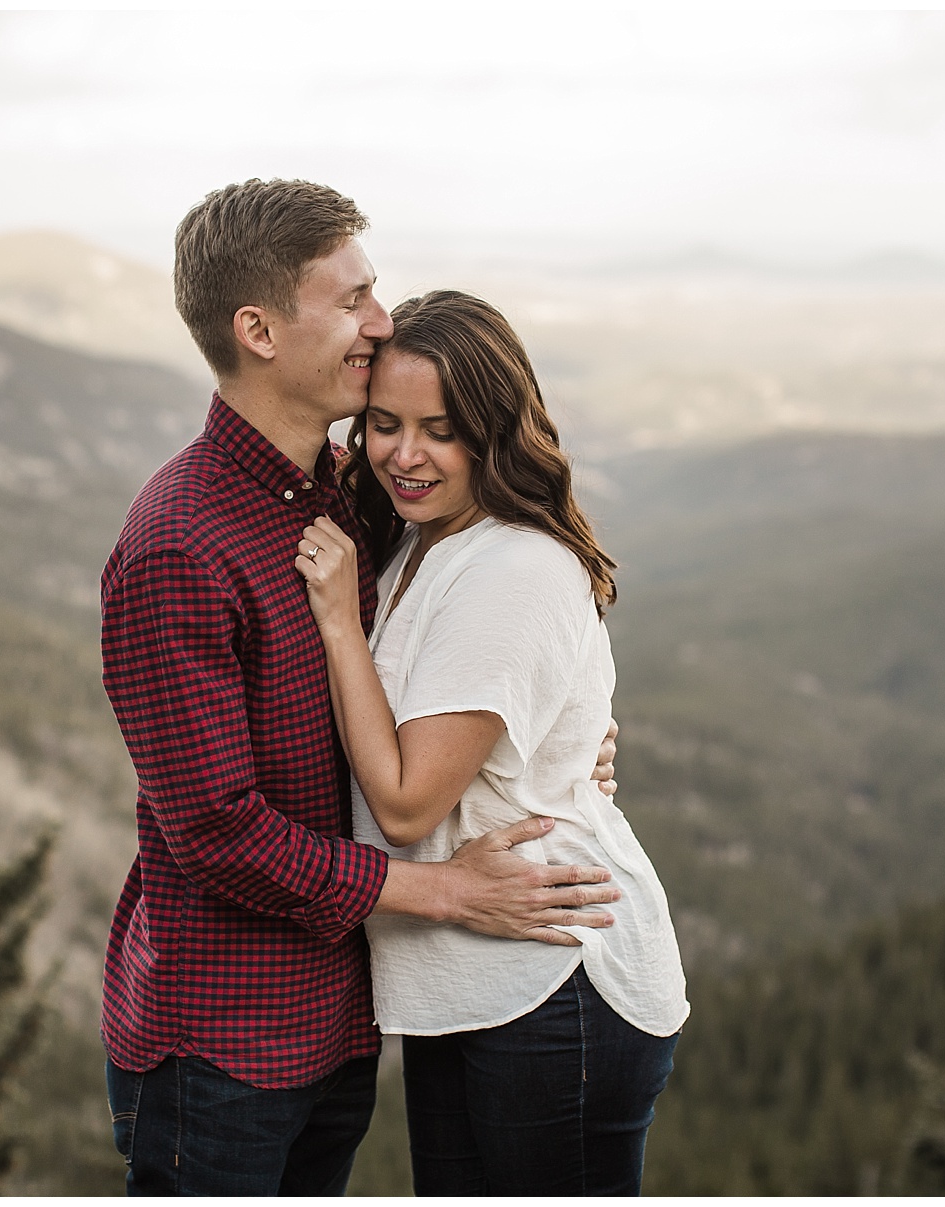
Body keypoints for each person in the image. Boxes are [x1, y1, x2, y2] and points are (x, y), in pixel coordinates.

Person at [98, 180, 624, 1196]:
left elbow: (478, 632)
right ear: (256, 330)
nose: (378, 324)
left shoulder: (352, 488)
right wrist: (445, 888)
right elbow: (219, 833)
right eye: (352, 301)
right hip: (221, 1049)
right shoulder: (178, 545)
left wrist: (563, 736)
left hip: (340, 1023)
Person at [294, 289, 689, 1196]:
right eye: (384, 424)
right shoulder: (424, 542)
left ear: (494, 430)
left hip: (553, 983)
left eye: (440, 428)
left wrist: (338, 623)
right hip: (469, 976)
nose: (405, 453)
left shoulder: (509, 563)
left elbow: (404, 803)